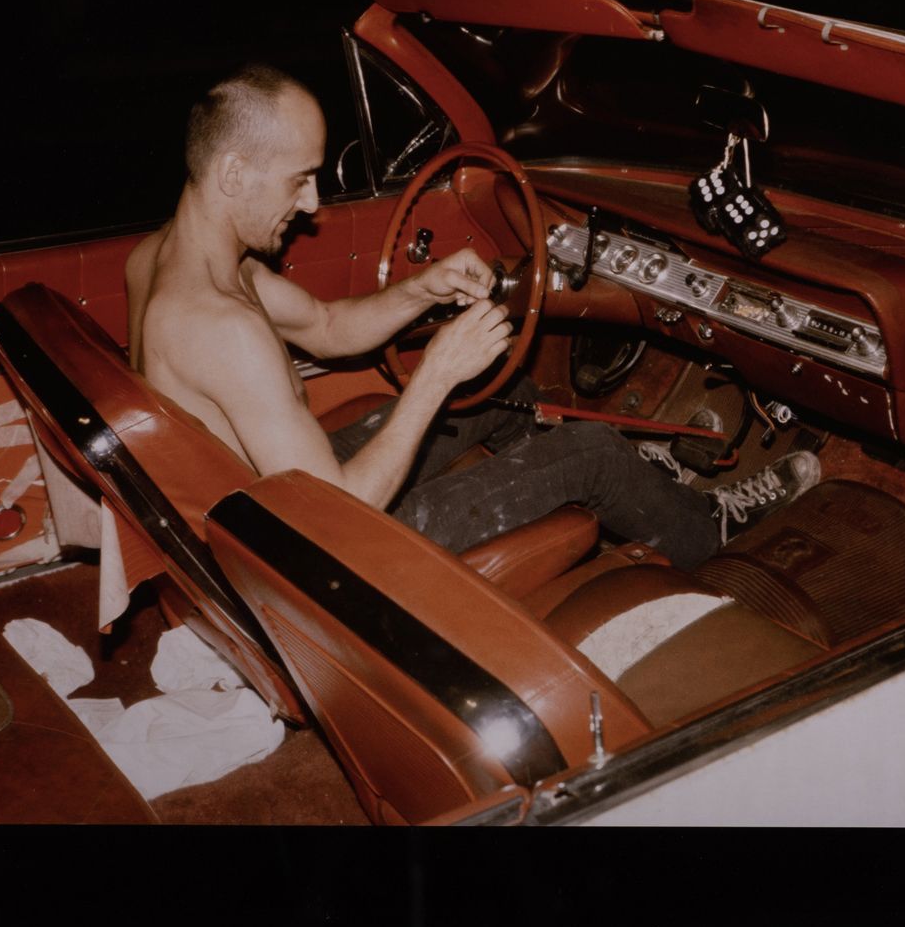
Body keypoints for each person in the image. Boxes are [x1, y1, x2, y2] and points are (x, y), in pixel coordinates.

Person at [125, 63, 817, 572]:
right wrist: (435, 375)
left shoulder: (171, 259)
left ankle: (617, 487)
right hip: (308, 556)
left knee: (506, 391)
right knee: (591, 455)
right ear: (234, 173)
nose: (311, 206)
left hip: (269, 491)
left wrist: (422, 289)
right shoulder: (222, 326)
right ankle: (709, 525)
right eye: (298, 179)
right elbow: (339, 515)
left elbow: (329, 329)